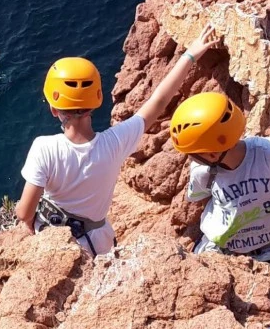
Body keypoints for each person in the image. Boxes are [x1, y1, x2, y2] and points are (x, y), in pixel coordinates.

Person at [15, 24, 219, 256]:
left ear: (54, 109)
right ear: (96, 100)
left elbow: (24, 213)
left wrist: (29, 222)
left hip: (57, 244)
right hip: (98, 242)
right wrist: (191, 54)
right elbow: (159, 101)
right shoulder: (115, 143)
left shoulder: (44, 148)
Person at [169, 91, 270, 266]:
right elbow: (204, 201)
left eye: (192, 154)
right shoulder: (203, 171)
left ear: (212, 155)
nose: (190, 159)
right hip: (219, 250)